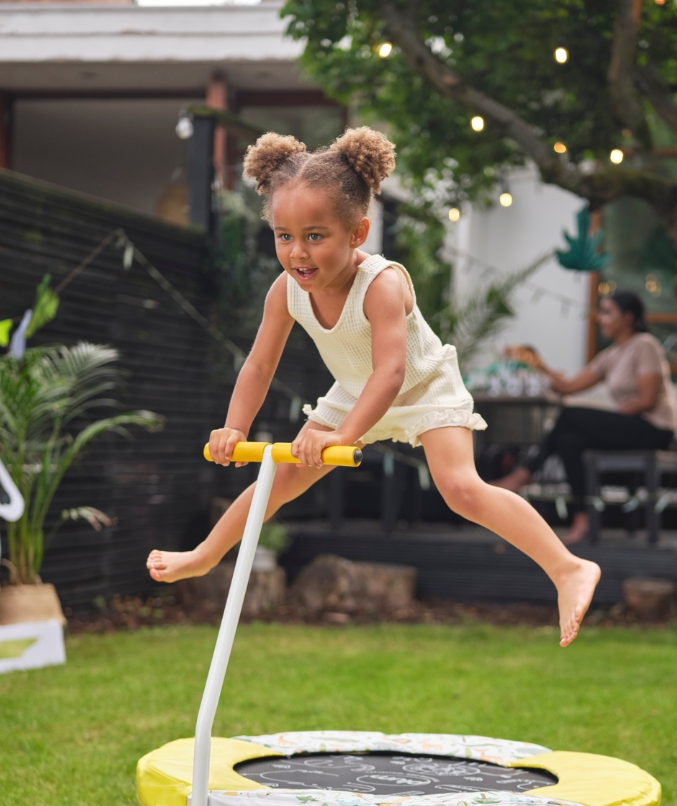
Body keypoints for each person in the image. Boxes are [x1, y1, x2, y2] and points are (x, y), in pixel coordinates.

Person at [146, 128, 601, 646]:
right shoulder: (286, 292)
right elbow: (257, 366)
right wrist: (234, 427)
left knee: (460, 489)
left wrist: (340, 439)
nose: (298, 253)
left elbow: (392, 373)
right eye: (283, 236)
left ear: (358, 233)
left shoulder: (382, 284)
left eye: (315, 236)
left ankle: (568, 568)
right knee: (281, 478)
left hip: (422, 383)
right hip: (354, 389)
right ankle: (205, 556)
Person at [493, 291, 677, 544]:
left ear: (628, 317)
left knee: (571, 415)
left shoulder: (645, 345)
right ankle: (583, 517)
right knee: (569, 441)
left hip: (655, 429)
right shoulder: (610, 356)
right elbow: (567, 387)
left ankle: (525, 473)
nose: (600, 319)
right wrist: (536, 362)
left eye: (607, 313)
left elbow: (647, 400)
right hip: (629, 427)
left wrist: (603, 422)